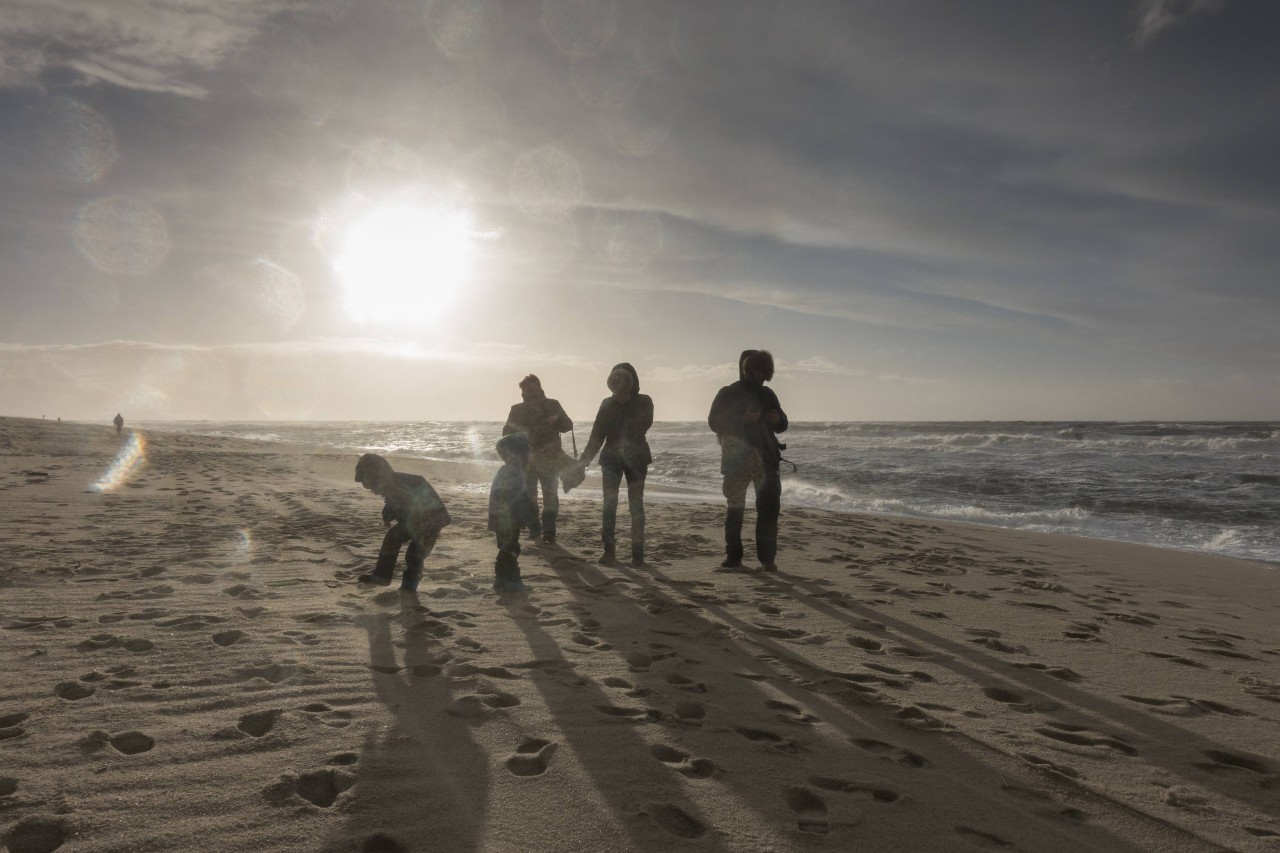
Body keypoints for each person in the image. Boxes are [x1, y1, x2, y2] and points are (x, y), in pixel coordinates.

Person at [708, 350, 789, 571]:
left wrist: (777, 419)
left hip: (767, 458)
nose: (757, 374)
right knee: (735, 509)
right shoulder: (728, 393)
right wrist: (741, 420)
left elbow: (783, 423)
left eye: (761, 370)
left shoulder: (768, 394)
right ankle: (733, 556)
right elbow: (714, 422)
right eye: (752, 369)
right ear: (744, 369)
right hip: (737, 458)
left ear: (766, 371)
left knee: (769, 509)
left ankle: (768, 560)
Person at [577, 363, 653, 566]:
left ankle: (638, 554)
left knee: (636, 505)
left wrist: (624, 403)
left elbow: (643, 425)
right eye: (615, 378)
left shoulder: (644, 401)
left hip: (637, 458)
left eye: (624, 378)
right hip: (610, 459)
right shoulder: (606, 403)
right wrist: (584, 461)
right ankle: (608, 550)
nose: (619, 382)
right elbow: (597, 434)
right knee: (609, 505)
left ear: (632, 380)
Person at [354, 453, 451, 592]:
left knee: (415, 554)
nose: (371, 489)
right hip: (416, 518)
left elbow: (410, 505)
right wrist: (387, 517)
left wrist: (406, 523)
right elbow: (390, 503)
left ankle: (408, 587)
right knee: (392, 539)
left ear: (377, 477)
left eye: (370, 485)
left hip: (433, 519)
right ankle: (382, 576)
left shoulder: (400, 485)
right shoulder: (391, 484)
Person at [502, 374, 573, 543]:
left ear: (540, 388)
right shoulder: (516, 409)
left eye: (533, 389)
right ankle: (534, 529)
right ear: (522, 391)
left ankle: (549, 532)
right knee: (529, 496)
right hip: (526, 461)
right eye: (527, 390)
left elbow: (568, 425)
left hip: (550, 460)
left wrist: (558, 418)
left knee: (550, 496)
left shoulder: (552, 404)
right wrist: (511, 454)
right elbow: (506, 433)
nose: (530, 393)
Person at [489, 433, 539, 593]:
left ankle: (506, 580)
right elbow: (517, 499)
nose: (530, 454)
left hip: (503, 518)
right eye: (527, 451)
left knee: (509, 546)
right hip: (508, 518)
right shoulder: (514, 473)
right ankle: (507, 581)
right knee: (511, 548)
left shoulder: (509, 470)